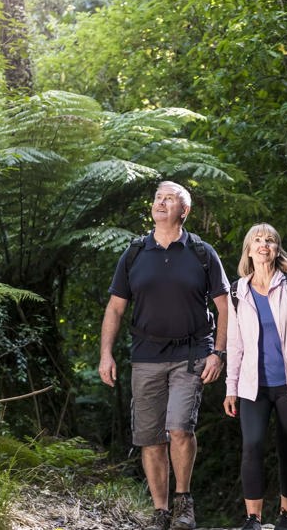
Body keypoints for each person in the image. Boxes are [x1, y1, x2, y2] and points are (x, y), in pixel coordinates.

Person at [99, 181, 230, 530]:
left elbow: (224, 306)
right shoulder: (135, 253)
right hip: (145, 355)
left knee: (179, 428)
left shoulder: (202, 253)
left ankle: (183, 503)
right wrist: (106, 355)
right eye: (158, 198)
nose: (161, 203)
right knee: (150, 436)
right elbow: (115, 309)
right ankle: (160, 511)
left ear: (183, 211)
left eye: (170, 199)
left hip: (192, 353)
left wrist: (218, 353)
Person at [223, 223, 287, 530]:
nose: (264, 245)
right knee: (252, 446)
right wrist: (231, 388)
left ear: (277, 249)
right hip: (253, 387)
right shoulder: (237, 292)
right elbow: (235, 344)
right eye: (258, 240)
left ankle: (286, 516)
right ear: (249, 249)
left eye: (270, 240)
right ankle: (253, 518)